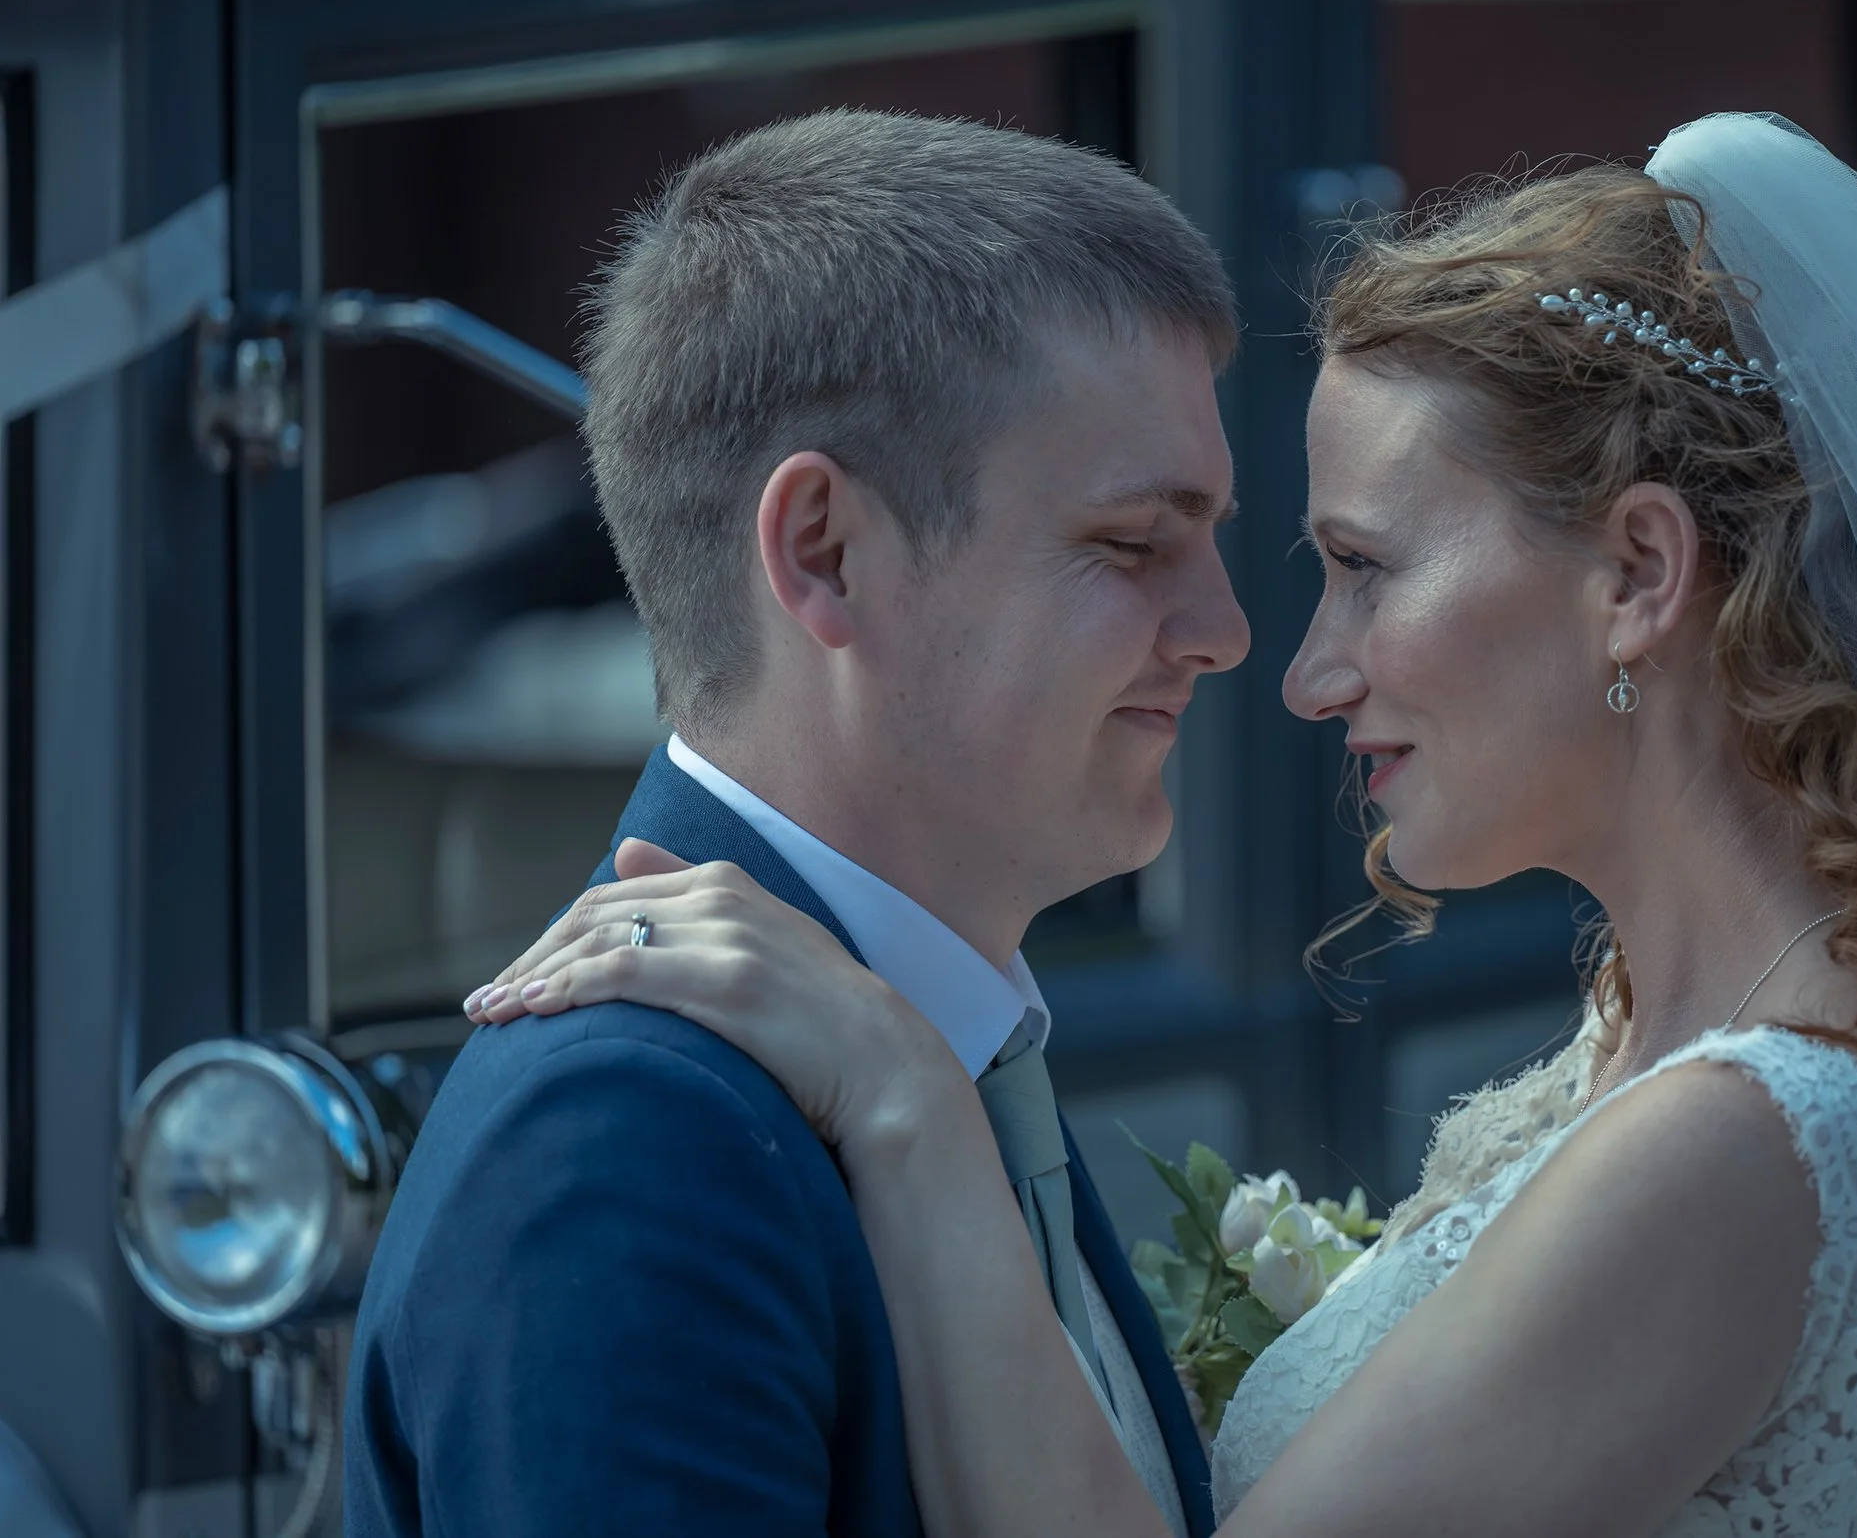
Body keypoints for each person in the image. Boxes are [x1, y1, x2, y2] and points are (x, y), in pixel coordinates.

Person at [473, 114, 1857, 1535]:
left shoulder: (1745, 1138)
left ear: (1635, 572)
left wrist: (900, 1094)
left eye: (1364, 566)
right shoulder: (1676, 1056)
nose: (1305, 666)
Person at [343, 109, 1249, 1537]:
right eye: (1133, 544)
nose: (1223, 631)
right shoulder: (627, 1147)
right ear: (823, 551)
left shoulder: (928, 1054)